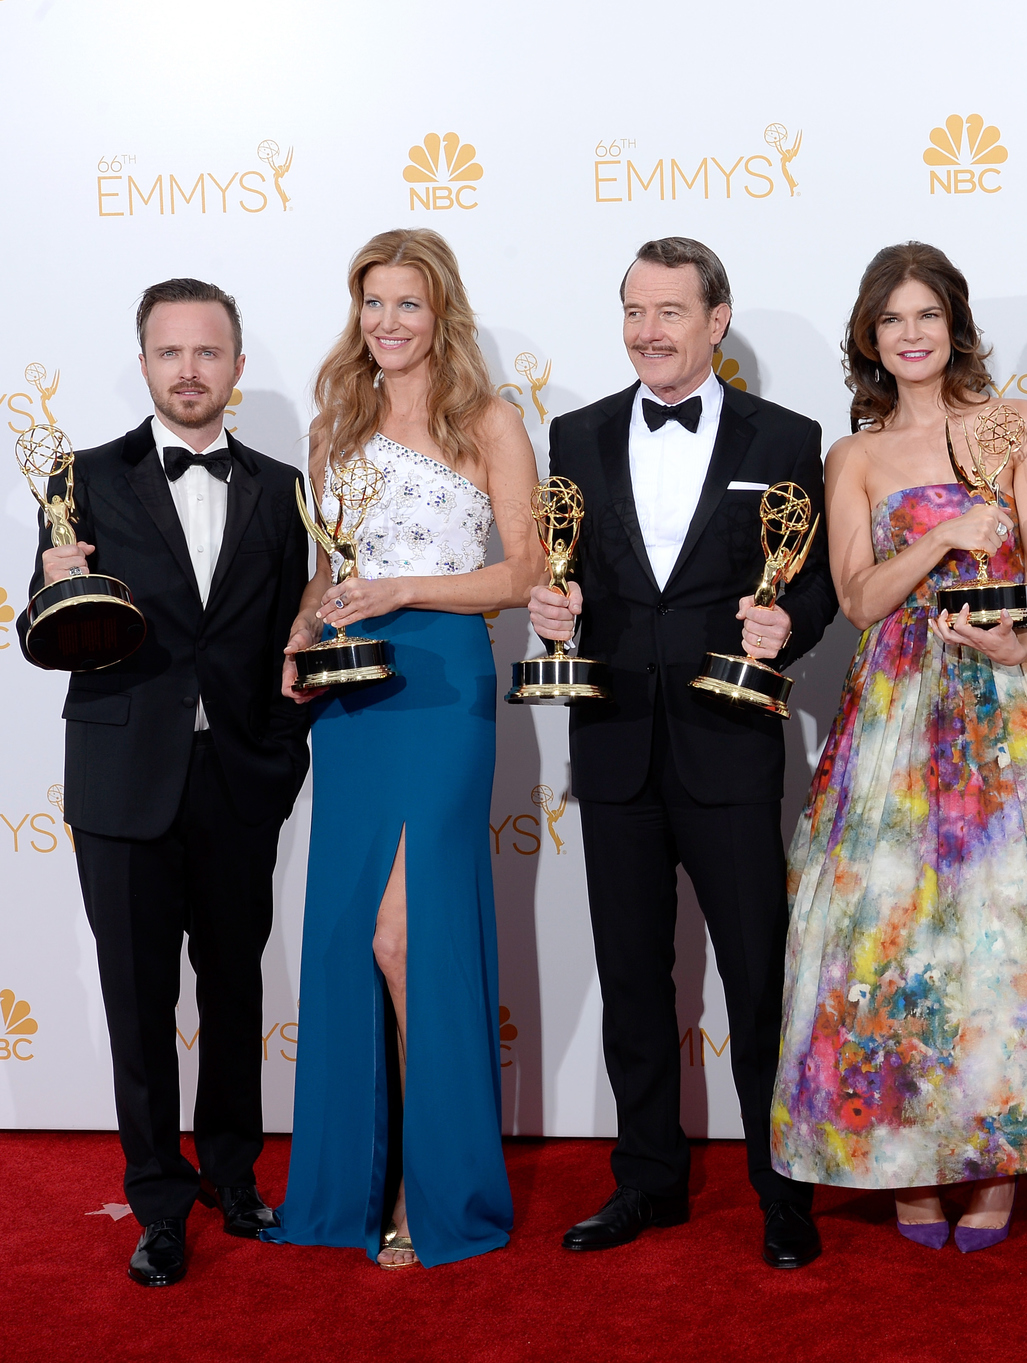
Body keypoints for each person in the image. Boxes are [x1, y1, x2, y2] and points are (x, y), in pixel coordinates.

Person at [770, 242, 1027, 1252]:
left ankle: (994, 1163)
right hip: (898, 710)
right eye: (891, 320)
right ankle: (908, 1166)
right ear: (870, 336)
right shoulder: (853, 456)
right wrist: (942, 540)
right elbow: (859, 599)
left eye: (927, 316)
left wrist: (1017, 634)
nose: (911, 335)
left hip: (1008, 702)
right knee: (892, 938)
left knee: (1008, 937)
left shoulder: (1019, 423)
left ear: (953, 324)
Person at [526, 237, 836, 1270]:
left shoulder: (788, 436)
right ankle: (646, 1179)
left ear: (716, 319)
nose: (648, 331)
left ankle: (780, 1186)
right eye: (633, 311)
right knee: (631, 978)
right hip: (611, 742)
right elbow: (568, 565)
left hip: (730, 742)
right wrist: (550, 611)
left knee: (758, 982)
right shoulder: (571, 432)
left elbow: (820, 577)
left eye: (669, 311)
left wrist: (785, 621)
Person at [266, 228, 542, 1269]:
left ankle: (443, 1186)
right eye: (372, 303)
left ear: (443, 315)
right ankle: (355, 1182)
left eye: (407, 305)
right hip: (350, 685)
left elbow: (517, 576)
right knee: (347, 941)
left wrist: (405, 588)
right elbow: (327, 568)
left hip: (441, 678)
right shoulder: (334, 423)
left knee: (406, 937)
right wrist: (301, 627)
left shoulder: (489, 421)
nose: (387, 323)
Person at [31, 279, 311, 1287]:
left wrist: (281, 757)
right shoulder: (81, 478)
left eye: (208, 352)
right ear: (144, 363)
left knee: (234, 992)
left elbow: (298, 639)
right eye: (169, 353)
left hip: (239, 778)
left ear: (236, 365)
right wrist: (57, 587)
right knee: (136, 1003)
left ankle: (233, 1178)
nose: (189, 370)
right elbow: (46, 631)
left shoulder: (285, 489)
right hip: (122, 781)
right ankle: (158, 1198)